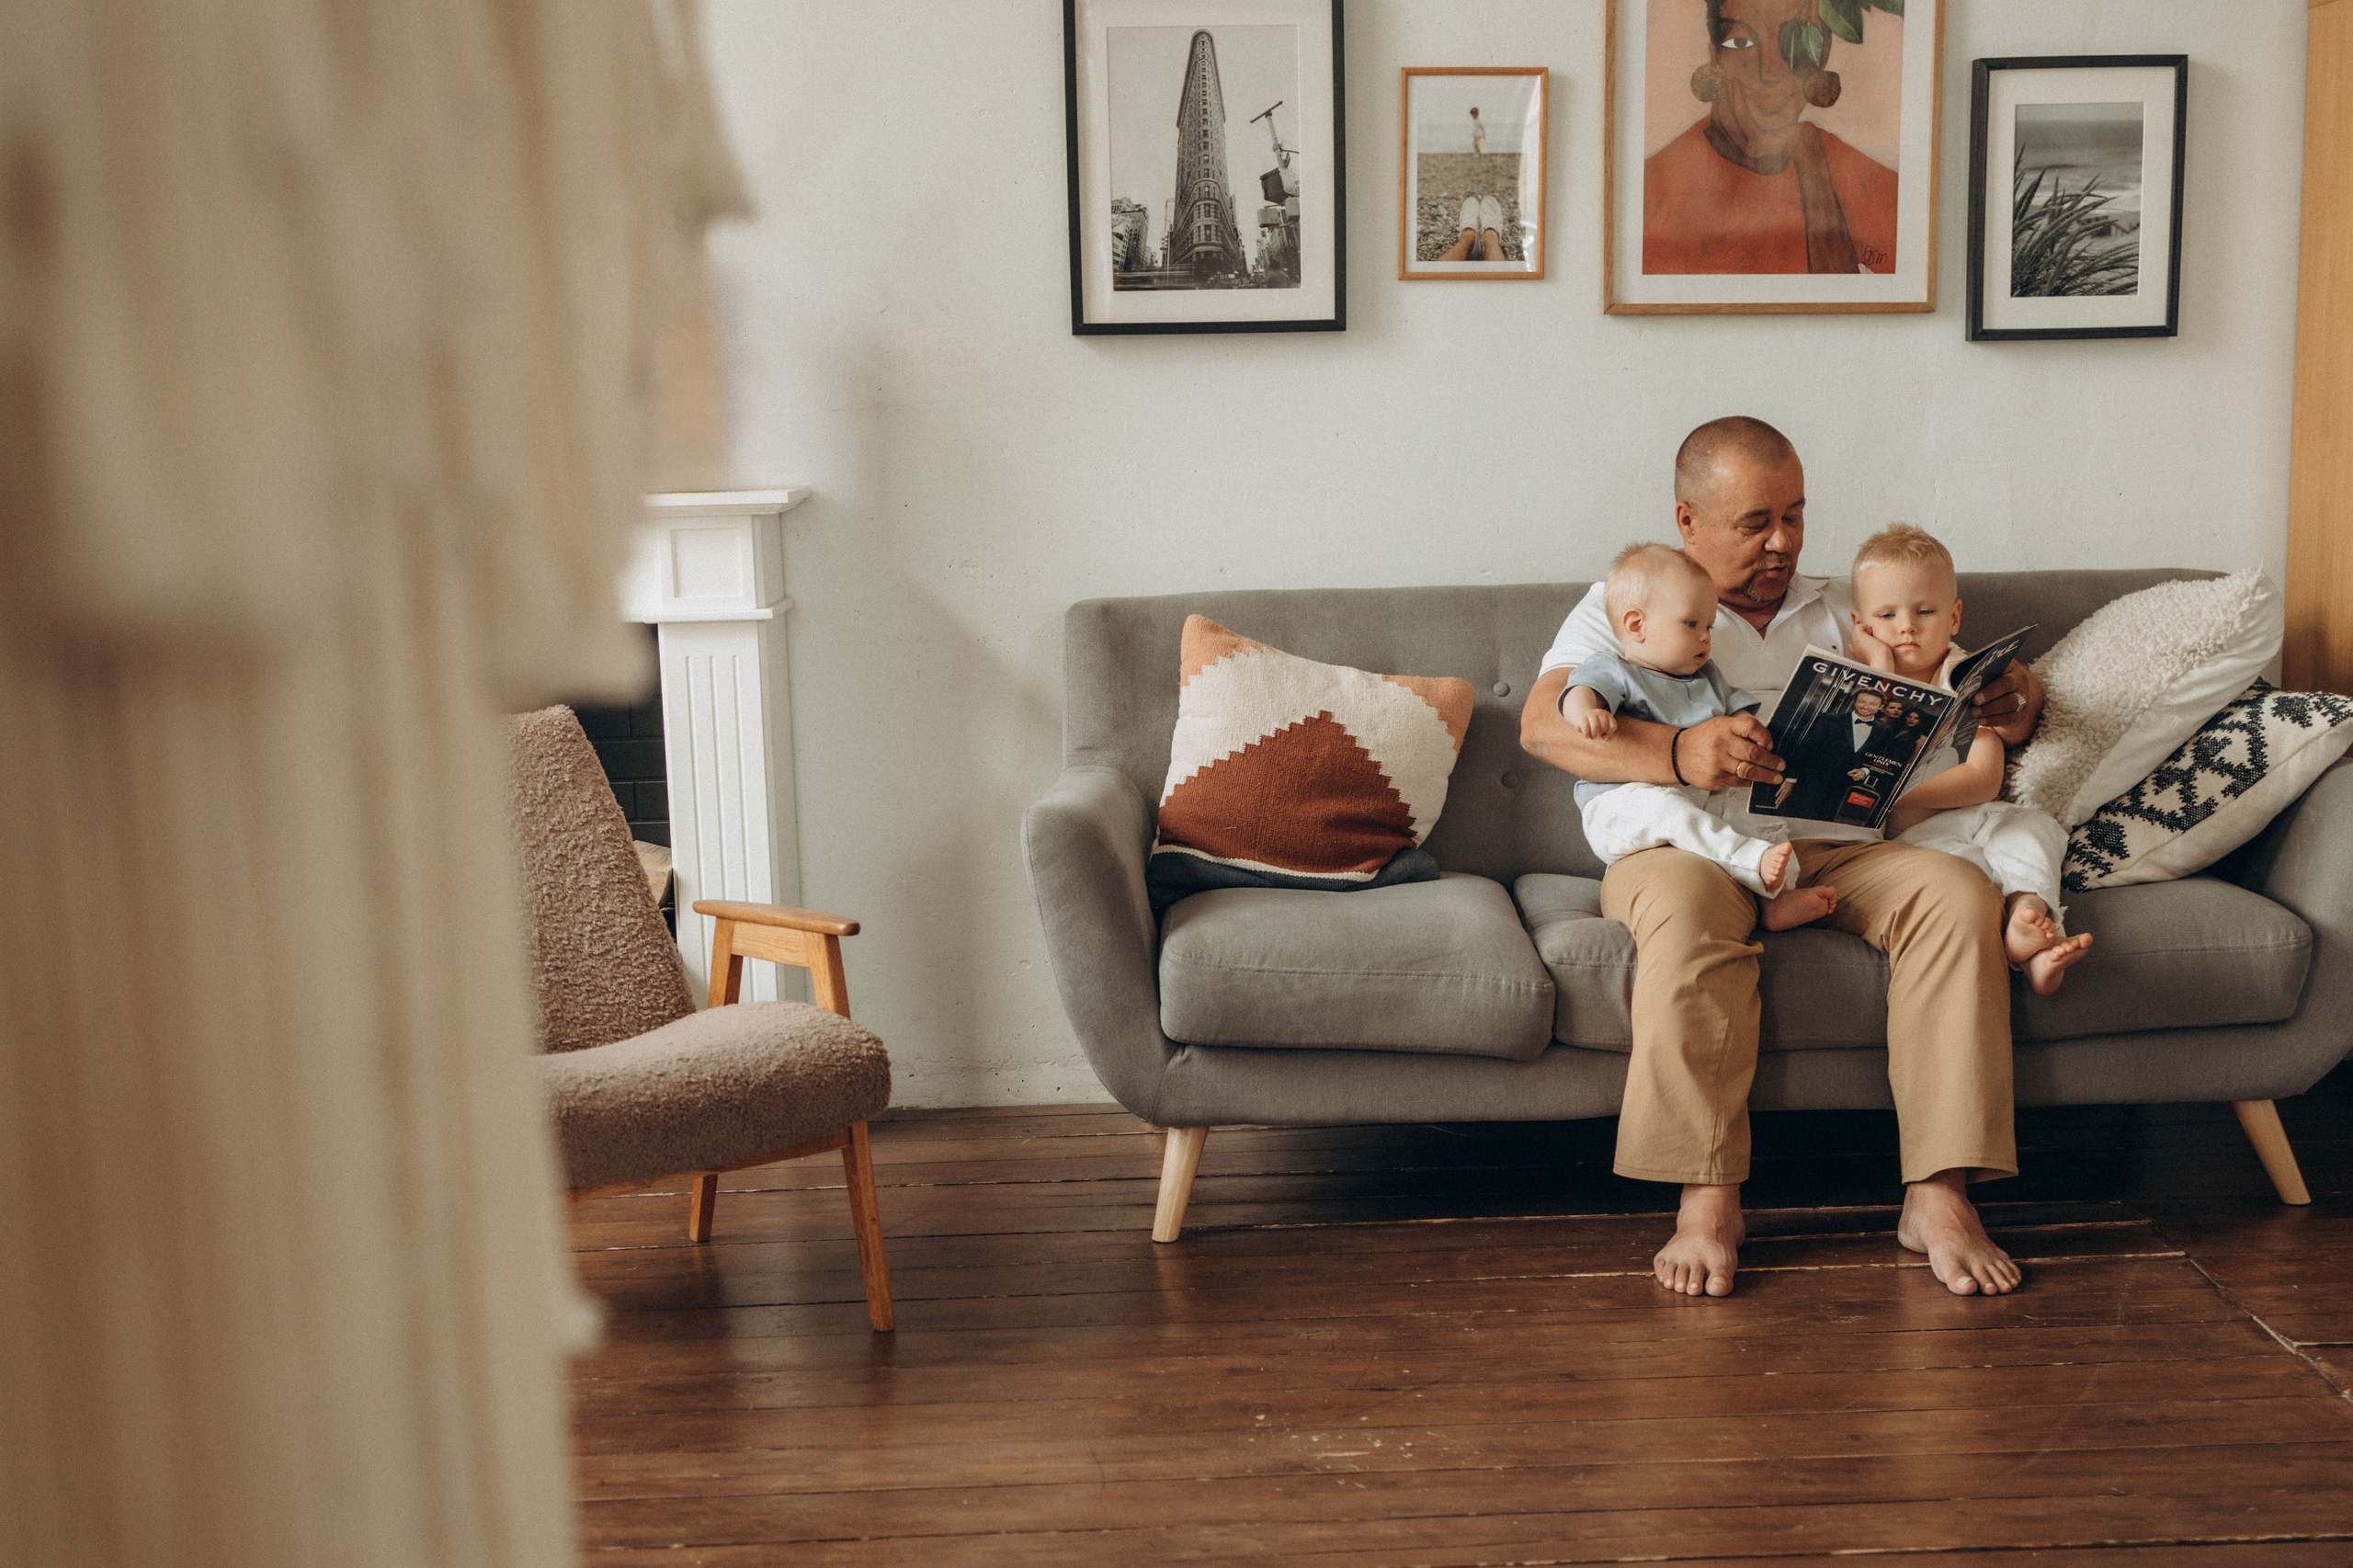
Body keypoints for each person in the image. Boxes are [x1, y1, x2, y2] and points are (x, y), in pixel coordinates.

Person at [1520, 415, 2046, 1301]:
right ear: (1688, 521)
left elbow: (1994, 709)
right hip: (1685, 843)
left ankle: (1940, 1194)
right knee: (1688, 919)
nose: (1783, 543)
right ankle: (1707, 1201)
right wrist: (1677, 755)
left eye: (1795, 517)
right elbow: (1542, 725)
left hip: (1832, 843)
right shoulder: (1636, 597)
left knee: (1955, 893)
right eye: (1755, 522)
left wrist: (2014, 696)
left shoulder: (1851, 601)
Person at [1847, 523, 2094, 995]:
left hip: (1983, 814)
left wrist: (1893, 786)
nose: (1907, 626)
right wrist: (1878, 667)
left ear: (1955, 616)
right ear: (1861, 626)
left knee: (2035, 829)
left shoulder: (1964, 677)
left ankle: (2032, 923)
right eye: (1887, 614)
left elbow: (1983, 778)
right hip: (1920, 844)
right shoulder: (1855, 685)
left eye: (1925, 610)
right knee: (1967, 881)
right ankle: (2026, 951)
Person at [1563, 542, 1839, 926]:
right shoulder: (1615, 669)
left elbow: (1738, 717)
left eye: (1708, 626)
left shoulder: (1708, 676)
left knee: (1756, 815)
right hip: (1623, 806)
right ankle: (1747, 861)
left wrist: (1758, 736)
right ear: (1636, 625)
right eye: (1691, 624)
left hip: (1699, 799)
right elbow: (1579, 691)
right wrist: (1587, 713)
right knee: (1667, 810)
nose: (1705, 637)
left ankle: (1777, 897)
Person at [1643, 0, 1899, 275]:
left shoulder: (1852, 175)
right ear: (1714, 56)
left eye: (1797, 40)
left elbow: (1914, 276)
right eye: (1741, 43)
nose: (1770, 74)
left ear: (1823, 52)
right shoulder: (1653, 195)